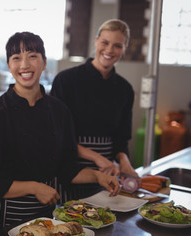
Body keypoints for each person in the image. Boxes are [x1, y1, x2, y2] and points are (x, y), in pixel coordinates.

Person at [0, 31, 120, 236]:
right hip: (3, 218)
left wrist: (98, 176)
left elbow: (67, 169)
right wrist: (34, 187)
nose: (24, 65)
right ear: (9, 65)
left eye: (32, 56)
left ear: (44, 62)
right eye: (16, 58)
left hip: (46, 218)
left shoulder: (59, 111)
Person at [50, 19, 138, 178]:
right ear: (96, 41)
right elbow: (57, 135)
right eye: (105, 42)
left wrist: (124, 161)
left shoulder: (125, 90)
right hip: (69, 173)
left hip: (107, 174)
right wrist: (97, 158)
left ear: (124, 48)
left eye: (118, 45)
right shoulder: (66, 80)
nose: (109, 50)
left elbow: (121, 139)